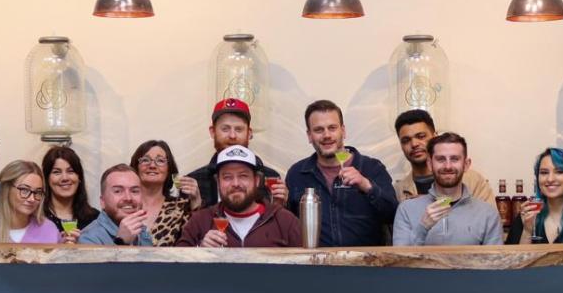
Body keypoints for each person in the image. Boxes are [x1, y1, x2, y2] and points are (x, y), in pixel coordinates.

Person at [286, 100, 397, 247]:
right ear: (309, 136)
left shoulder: (372, 168)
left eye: (332, 128)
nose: (326, 135)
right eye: (319, 130)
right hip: (314, 265)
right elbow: (289, 226)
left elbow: (393, 215)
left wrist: (366, 185)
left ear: (343, 131)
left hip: (366, 264)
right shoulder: (297, 174)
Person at [176, 145, 302, 247]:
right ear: (218, 181)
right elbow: (177, 269)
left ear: (257, 180)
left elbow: (306, 269)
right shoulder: (200, 221)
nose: (235, 184)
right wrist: (200, 249)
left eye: (243, 176)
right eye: (227, 177)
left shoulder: (285, 220)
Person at [393, 133, 504, 246]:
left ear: (466, 165)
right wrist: (423, 227)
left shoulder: (487, 213)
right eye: (440, 159)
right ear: (430, 164)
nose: (448, 166)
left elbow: (495, 261)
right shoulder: (406, 210)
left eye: (455, 159)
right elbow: (398, 261)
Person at [185, 98, 284, 208]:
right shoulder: (194, 182)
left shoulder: (270, 177)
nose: (232, 136)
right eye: (225, 129)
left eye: (238, 129)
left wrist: (279, 205)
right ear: (213, 132)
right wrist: (196, 205)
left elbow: (280, 222)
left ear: (249, 133)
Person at [392, 110, 492, 203]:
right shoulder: (398, 191)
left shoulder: (473, 181)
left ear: (435, 137)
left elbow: (489, 219)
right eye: (406, 140)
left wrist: (432, 204)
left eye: (421, 136)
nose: (414, 144)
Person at [0, 161, 61, 244]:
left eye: (37, 192)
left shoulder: (49, 229)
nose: (32, 199)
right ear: (7, 189)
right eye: (24, 190)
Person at [131, 140, 196, 247]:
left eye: (160, 161)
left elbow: (196, 241)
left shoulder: (180, 206)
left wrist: (196, 202)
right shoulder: (125, 204)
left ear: (169, 170)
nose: (152, 165)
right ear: (136, 167)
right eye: (145, 160)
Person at [78, 166, 155, 246]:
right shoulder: (88, 238)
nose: (128, 198)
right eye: (118, 191)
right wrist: (121, 242)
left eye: (134, 191)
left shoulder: (142, 232)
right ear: (102, 201)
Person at [41, 146, 99, 243]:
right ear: (47, 179)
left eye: (71, 171)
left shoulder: (94, 219)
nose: (65, 178)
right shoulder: (37, 218)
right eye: (56, 172)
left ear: (79, 177)